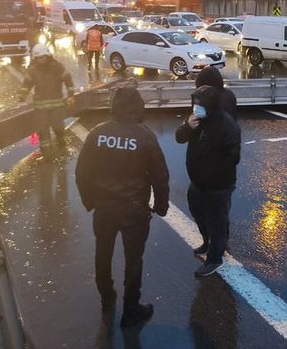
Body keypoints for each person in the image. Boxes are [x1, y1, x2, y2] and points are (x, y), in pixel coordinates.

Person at [75, 85, 170, 327]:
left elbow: (82, 173)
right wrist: (160, 206)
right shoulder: (144, 136)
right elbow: (160, 175)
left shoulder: (97, 134)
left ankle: (107, 298)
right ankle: (131, 310)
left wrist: (89, 202)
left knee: (102, 253)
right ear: (137, 106)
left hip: (104, 209)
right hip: (134, 210)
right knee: (133, 260)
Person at [175, 85, 240, 277]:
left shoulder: (226, 125)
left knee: (217, 221)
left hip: (218, 186)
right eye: (195, 103)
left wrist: (213, 175)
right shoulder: (196, 120)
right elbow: (179, 137)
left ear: (211, 105)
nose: (196, 107)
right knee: (197, 210)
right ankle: (206, 241)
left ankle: (214, 259)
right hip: (198, 183)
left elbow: (232, 157)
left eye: (200, 104)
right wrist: (187, 126)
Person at [22, 43, 74, 156]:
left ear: (47, 56)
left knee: (58, 128)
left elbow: (68, 79)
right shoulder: (33, 69)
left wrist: (71, 95)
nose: (41, 60)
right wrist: (21, 97)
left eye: (42, 57)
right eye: (38, 58)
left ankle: (62, 146)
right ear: (35, 58)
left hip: (57, 106)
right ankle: (46, 155)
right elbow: (26, 84)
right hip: (40, 108)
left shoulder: (58, 67)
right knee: (42, 132)